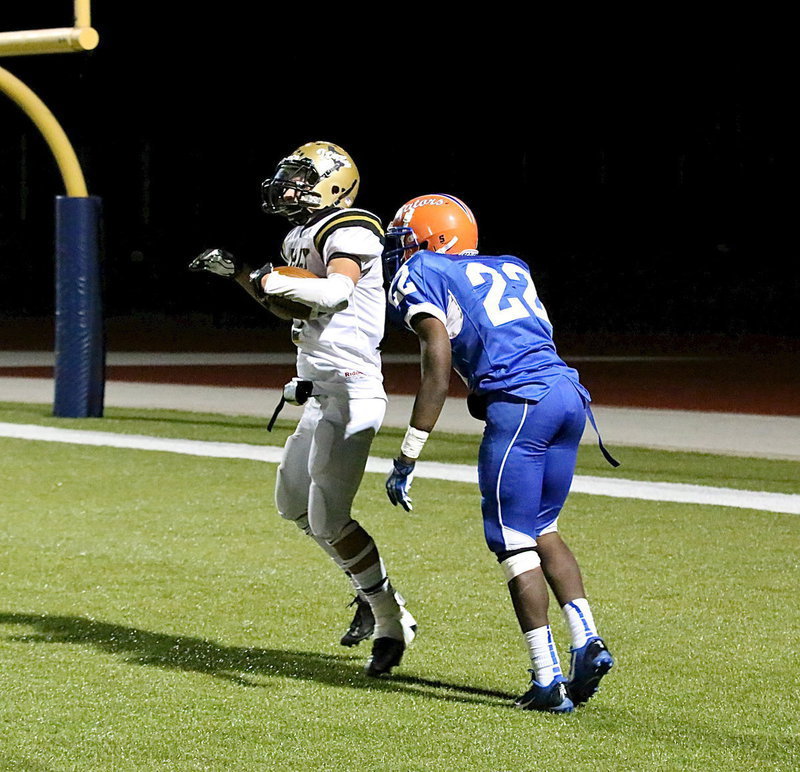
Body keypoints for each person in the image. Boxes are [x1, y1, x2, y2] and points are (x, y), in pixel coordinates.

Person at [189, 141, 416, 677]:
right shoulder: (300, 234)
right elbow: (291, 303)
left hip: (354, 390)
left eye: (299, 178)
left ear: (333, 182)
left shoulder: (354, 225)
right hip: (319, 390)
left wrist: (270, 276)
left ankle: (389, 617)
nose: (287, 187)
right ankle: (370, 592)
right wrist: (245, 274)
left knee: (328, 518)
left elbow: (335, 292)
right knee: (292, 503)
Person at [382, 194, 614, 711]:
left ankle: (547, 679)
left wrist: (408, 453)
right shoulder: (510, 266)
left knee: (512, 542)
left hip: (522, 405)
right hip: (568, 395)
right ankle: (587, 638)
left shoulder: (423, 270)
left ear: (433, 240)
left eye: (406, 240)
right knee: (544, 527)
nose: (399, 252)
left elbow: (437, 366)